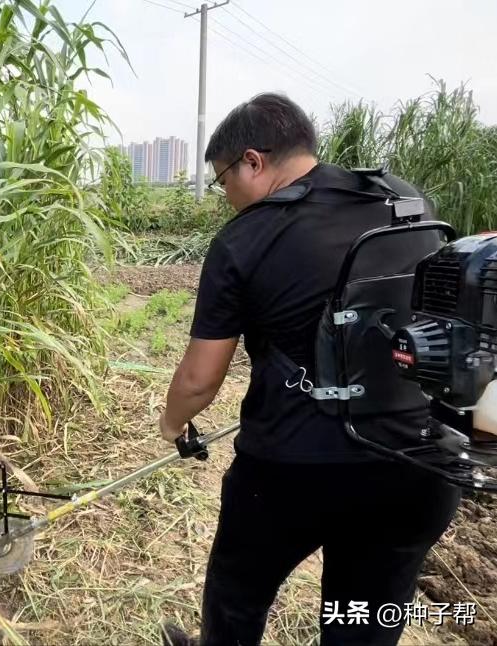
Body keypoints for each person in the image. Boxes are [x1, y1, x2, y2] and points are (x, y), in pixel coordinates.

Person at [157, 93, 462, 646]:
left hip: (294, 471)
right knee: (361, 623)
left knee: (237, 594)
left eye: (224, 180)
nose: (226, 197)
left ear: (252, 161)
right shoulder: (406, 199)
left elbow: (200, 379)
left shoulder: (243, 239)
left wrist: (172, 424)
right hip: (418, 464)